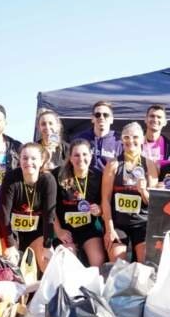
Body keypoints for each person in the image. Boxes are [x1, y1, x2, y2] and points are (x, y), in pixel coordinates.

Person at [101, 122, 158, 263]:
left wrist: (143, 191)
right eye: (126, 137)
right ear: (121, 140)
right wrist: (109, 229)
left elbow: (154, 203)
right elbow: (105, 199)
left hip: (142, 223)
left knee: (145, 263)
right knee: (117, 264)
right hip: (119, 223)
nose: (130, 141)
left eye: (135, 137)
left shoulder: (150, 164)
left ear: (143, 139)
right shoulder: (113, 164)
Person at [0, 144, 58, 272]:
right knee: (10, 263)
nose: (29, 162)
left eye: (33, 159)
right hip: (12, 232)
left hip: (36, 232)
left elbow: (49, 216)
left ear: (42, 161)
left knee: (47, 261)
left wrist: (48, 245)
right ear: (19, 160)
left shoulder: (48, 180)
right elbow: (4, 214)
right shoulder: (11, 178)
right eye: (25, 158)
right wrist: (10, 245)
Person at [53, 139, 106, 267]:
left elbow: (105, 205)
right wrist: (59, 230)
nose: (81, 158)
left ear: (91, 156)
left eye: (84, 154)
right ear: (70, 158)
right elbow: (49, 207)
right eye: (76, 155)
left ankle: (92, 287)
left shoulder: (98, 176)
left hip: (88, 230)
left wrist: (99, 210)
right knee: (68, 261)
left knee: (97, 260)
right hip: (65, 230)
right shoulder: (57, 175)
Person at [76, 101, 122, 173]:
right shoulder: (81, 139)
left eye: (105, 115)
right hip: (86, 182)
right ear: (92, 118)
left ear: (111, 119)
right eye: (97, 115)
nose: (101, 118)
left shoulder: (119, 141)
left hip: (109, 181)